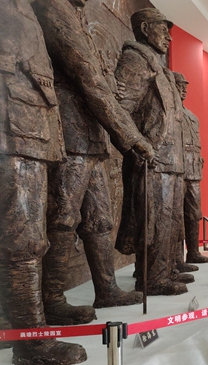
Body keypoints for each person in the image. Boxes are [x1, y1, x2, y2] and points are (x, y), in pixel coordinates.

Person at [32, 0, 156, 323]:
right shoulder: (54, 7)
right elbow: (88, 77)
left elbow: (103, 82)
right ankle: (52, 299)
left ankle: (107, 289)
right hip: (71, 133)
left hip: (92, 137)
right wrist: (132, 136)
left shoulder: (77, 15)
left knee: (99, 218)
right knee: (63, 217)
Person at [0, 0, 86, 365]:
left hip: (29, 132)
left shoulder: (24, 9)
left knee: (29, 238)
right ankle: (31, 342)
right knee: (24, 240)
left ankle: (19, 327)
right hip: (14, 130)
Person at [114, 8, 191, 295]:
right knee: (154, 221)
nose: (169, 37)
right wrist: (139, 144)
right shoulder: (135, 60)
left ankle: (165, 270)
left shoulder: (160, 68)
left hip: (171, 161)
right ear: (145, 29)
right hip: (153, 159)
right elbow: (121, 109)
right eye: (162, 29)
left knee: (169, 221)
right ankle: (152, 278)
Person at [174, 72, 208, 266]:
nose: (183, 89)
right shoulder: (170, 114)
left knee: (194, 213)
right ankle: (176, 257)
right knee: (176, 214)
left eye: (185, 86)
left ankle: (193, 252)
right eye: (179, 85)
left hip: (194, 170)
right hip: (177, 169)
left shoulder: (192, 117)